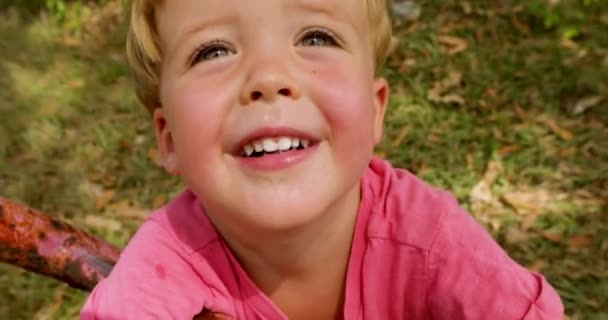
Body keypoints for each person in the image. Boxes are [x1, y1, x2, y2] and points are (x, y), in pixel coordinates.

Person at [80, 0, 564, 319]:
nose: (268, 77)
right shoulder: (165, 262)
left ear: (375, 110)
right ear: (168, 138)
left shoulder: (426, 237)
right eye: (212, 51)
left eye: (316, 38)